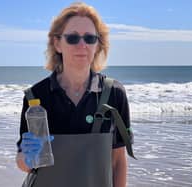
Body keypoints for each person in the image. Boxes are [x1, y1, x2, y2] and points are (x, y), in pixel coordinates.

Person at [15, 2, 134, 187]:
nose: (82, 45)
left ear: (98, 45)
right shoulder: (35, 97)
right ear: (57, 43)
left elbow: (118, 160)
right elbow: (23, 162)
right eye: (72, 38)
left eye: (90, 38)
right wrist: (27, 158)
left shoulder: (114, 94)